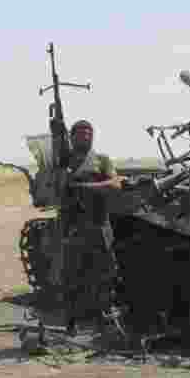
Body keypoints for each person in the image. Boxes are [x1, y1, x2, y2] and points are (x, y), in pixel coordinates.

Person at [62, 119, 123, 336]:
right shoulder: (63, 161)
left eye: (89, 133)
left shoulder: (101, 160)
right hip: (74, 227)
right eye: (81, 133)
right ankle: (72, 323)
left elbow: (116, 183)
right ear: (72, 137)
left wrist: (88, 186)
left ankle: (105, 321)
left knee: (106, 274)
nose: (86, 136)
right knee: (72, 276)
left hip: (99, 226)